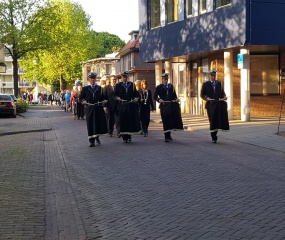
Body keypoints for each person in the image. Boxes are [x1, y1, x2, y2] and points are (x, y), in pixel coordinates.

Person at [79, 72, 108, 147]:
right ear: (88, 79)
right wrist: (83, 101)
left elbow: (103, 97)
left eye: (94, 78)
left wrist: (105, 101)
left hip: (98, 108)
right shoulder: (85, 89)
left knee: (98, 123)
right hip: (89, 108)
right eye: (91, 78)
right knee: (90, 123)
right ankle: (91, 141)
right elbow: (80, 98)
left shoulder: (99, 88)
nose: (92, 79)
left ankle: (97, 136)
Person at [200, 70, 229, 143]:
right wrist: (206, 98)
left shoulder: (219, 83)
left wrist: (224, 97)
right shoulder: (205, 84)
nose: (213, 77)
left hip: (218, 104)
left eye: (214, 76)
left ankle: (215, 134)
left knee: (217, 119)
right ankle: (213, 137)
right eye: (212, 75)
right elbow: (202, 94)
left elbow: (222, 93)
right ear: (209, 76)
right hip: (210, 104)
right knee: (212, 120)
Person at [153, 73, 184, 142]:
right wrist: (159, 100)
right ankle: (166, 136)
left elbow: (174, 96)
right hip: (164, 106)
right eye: (164, 79)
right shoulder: (159, 87)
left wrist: (176, 99)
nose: (165, 80)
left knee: (170, 120)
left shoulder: (171, 86)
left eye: (166, 79)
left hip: (171, 106)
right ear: (162, 79)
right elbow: (155, 96)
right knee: (165, 121)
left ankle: (169, 135)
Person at [114, 71, 141, 143]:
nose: (125, 78)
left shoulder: (131, 85)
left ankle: (129, 136)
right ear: (121, 78)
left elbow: (137, 94)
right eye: (123, 77)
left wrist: (137, 98)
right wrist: (117, 98)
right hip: (122, 105)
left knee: (129, 120)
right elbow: (114, 95)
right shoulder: (118, 85)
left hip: (130, 104)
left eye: (126, 77)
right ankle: (124, 137)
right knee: (123, 120)